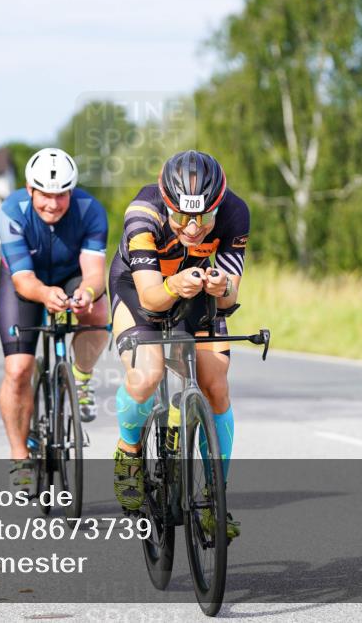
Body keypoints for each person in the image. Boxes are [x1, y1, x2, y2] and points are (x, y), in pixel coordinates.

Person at [108, 150, 249, 540]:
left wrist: (221, 288)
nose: (192, 228)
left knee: (215, 382)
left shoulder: (236, 212)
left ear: (218, 205)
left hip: (197, 292)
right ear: (166, 202)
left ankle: (213, 495)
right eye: (182, 216)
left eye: (203, 217)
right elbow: (153, 298)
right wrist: (173, 285)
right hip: (139, 290)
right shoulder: (143, 213)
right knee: (148, 373)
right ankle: (129, 451)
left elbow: (231, 295)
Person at [0, 148, 108, 491]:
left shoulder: (90, 211)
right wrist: (47, 296)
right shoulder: (11, 211)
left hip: (71, 274)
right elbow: (23, 281)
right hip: (24, 282)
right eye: (45, 194)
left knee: (99, 310)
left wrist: (86, 294)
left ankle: (81, 377)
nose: (53, 203)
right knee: (17, 371)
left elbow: (94, 275)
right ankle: (19, 456)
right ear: (30, 189)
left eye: (61, 194)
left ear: (71, 192)